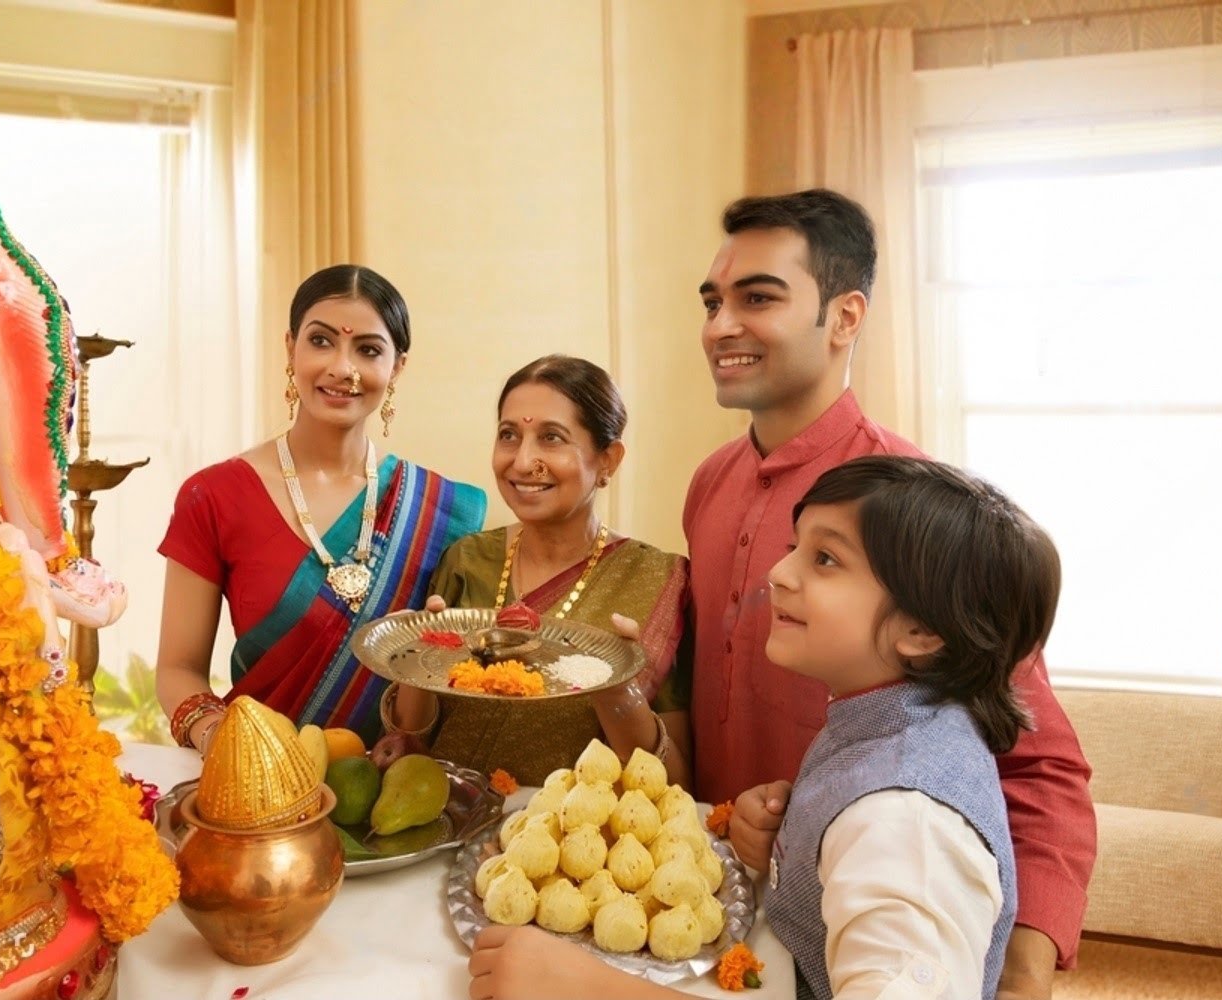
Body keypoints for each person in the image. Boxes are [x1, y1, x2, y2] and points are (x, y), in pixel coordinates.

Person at [685, 190, 1094, 992]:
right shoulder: (709, 482)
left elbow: (1040, 764)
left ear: (844, 317)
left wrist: (1022, 966)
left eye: (758, 298)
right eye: (712, 301)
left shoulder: (914, 523)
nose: (720, 325)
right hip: (728, 909)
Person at [467, 456, 1056, 1000]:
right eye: (795, 547)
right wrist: (793, 839)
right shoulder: (885, 718)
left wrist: (584, 989)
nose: (778, 572)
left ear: (923, 632)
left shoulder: (906, 822)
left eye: (825, 559)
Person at [155, 265, 486, 752]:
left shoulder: (440, 510)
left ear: (397, 367)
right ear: (290, 347)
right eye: (321, 341)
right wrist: (217, 737)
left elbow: (454, 685)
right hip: (258, 789)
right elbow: (177, 668)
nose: (343, 368)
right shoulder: (214, 496)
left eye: (368, 350)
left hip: (395, 789)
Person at [391, 355, 689, 786]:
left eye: (551, 438)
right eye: (509, 435)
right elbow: (410, 745)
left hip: (568, 840)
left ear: (608, 459)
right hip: (448, 825)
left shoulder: (656, 579)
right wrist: (416, 660)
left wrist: (615, 684)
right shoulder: (467, 561)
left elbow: (674, 780)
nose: (523, 460)